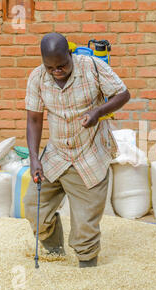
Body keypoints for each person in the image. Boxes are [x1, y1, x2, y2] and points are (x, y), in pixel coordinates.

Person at [23, 33, 130, 268]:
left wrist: (98, 112)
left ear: (70, 54)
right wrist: (34, 159)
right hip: (57, 155)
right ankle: (54, 250)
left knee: (85, 225)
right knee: (34, 207)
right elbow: (33, 120)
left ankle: (87, 267)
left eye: (62, 65)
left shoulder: (92, 66)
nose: (56, 71)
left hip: (89, 155)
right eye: (50, 67)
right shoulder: (37, 77)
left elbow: (123, 94)